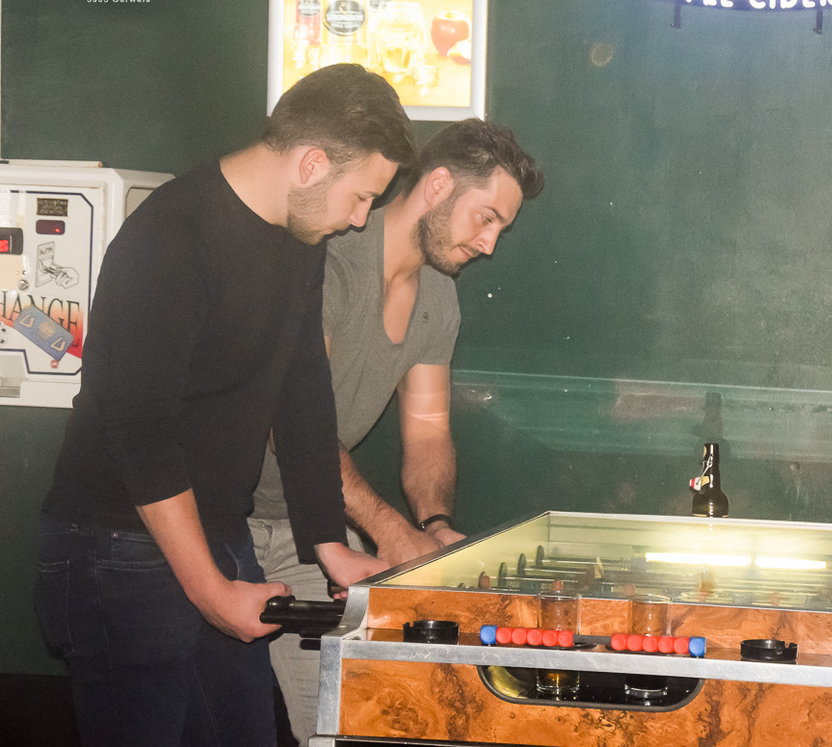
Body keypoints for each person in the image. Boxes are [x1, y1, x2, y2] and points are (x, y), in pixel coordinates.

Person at [34, 64, 415, 747]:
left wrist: (328, 543)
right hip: (114, 543)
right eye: (361, 196)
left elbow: (301, 390)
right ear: (311, 163)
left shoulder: (300, 237)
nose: (360, 219)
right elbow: (142, 430)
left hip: (215, 531)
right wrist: (211, 592)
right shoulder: (171, 235)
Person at [250, 118, 544, 744]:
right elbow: (292, 428)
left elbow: (430, 430)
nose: (490, 244)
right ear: (438, 185)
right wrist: (389, 530)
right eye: (486, 217)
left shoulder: (439, 294)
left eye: (501, 228)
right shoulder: (331, 263)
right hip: (225, 521)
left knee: (343, 725)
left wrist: (433, 525)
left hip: (313, 530)